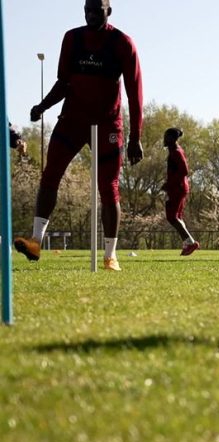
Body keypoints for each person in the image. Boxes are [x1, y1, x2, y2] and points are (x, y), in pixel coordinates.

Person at [13, 0, 143, 271]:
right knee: (50, 175)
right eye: (87, 9)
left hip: (108, 124)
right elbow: (64, 82)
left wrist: (135, 137)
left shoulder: (122, 43)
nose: (91, 14)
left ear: (109, 11)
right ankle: (36, 241)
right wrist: (42, 106)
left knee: (109, 188)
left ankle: (110, 256)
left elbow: (134, 93)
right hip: (72, 120)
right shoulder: (72, 39)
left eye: (97, 10)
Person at [162, 128, 199, 256]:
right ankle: (187, 243)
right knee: (177, 217)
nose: (164, 139)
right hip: (178, 187)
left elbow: (184, 170)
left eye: (166, 137)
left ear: (172, 138)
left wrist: (169, 184)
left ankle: (190, 242)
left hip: (178, 188)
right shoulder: (174, 151)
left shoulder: (176, 152)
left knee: (172, 217)